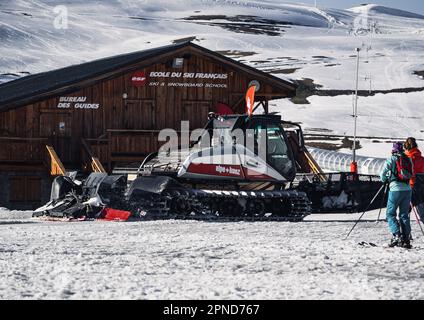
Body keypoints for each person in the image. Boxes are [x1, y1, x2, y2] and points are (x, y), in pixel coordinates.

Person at [380, 142, 413, 248]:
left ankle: (396, 235)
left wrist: (384, 180)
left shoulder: (391, 159)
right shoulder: (408, 159)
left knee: (390, 214)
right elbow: (411, 173)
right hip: (407, 189)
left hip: (395, 189)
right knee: (404, 215)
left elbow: (383, 174)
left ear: (393, 149)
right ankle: (406, 239)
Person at [404, 137, 424, 221]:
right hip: (422, 185)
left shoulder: (408, 159)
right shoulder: (421, 158)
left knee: (405, 211)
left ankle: (405, 232)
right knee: (422, 210)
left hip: (412, 186)